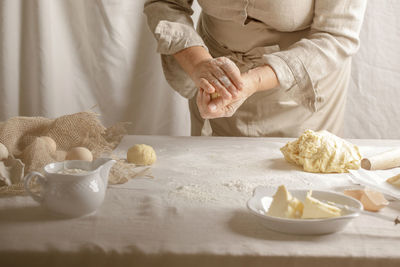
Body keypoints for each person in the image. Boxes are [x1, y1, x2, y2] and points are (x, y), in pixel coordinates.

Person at [144, 0, 367, 137]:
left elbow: (336, 35)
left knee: (298, 194)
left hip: (299, 89)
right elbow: (165, 3)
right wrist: (200, 64)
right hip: (216, 76)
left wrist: (253, 81)